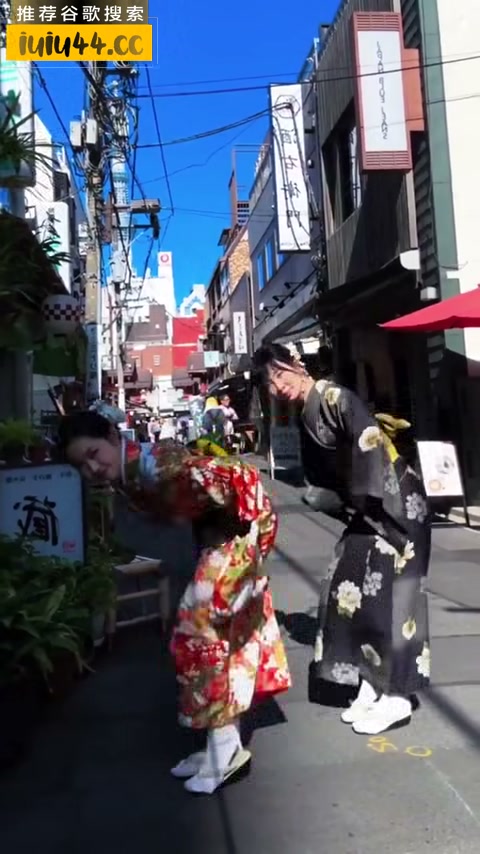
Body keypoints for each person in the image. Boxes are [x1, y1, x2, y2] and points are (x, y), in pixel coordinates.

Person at [57, 406, 291, 794]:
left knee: (198, 635)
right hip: (218, 540)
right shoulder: (132, 472)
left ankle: (223, 748)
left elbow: (239, 478)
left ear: (113, 437)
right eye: (82, 465)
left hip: (236, 537)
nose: (93, 469)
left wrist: (255, 543)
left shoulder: (156, 467)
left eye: (94, 454)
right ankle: (221, 743)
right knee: (211, 639)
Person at [253, 343, 431, 736]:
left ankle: (398, 694)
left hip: (396, 505)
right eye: (269, 384)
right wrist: (332, 499)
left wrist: (367, 505)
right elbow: (323, 477)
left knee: (394, 597)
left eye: (280, 375)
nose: (278, 387)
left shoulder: (334, 397)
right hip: (369, 509)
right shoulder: (307, 413)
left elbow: (370, 442)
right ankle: (369, 680)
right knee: (345, 587)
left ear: (297, 364)